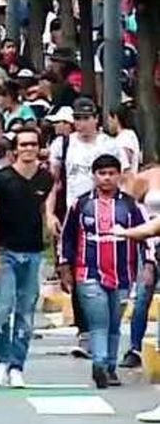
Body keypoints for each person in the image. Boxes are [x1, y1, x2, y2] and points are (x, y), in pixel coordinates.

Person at [47, 98, 122, 358]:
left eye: (86, 118)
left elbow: (121, 180)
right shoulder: (64, 145)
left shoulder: (109, 145)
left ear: (96, 120)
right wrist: (49, 213)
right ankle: (85, 331)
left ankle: (101, 328)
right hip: (73, 215)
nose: (81, 124)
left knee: (103, 271)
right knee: (76, 271)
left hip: (105, 216)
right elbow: (54, 183)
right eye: (77, 118)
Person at [61, 155, 144, 389]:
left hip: (123, 274)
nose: (106, 178)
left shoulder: (130, 205)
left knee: (114, 323)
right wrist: (65, 267)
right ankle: (99, 364)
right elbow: (67, 238)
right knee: (99, 321)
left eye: (111, 173)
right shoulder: (80, 204)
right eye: (102, 173)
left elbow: (144, 235)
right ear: (94, 176)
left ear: (119, 175)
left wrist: (146, 264)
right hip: (88, 272)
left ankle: (109, 366)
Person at [0, 125, 49, 388]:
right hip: (6, 251)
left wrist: (50, 225)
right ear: (15, 149)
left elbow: (46, 210)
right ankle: (0, 361)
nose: (29, 149)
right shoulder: (0, 178)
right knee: (3, 307)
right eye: (24, 144)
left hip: (33, 252)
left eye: (33, 144)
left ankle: (17, 365)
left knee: (26, 313)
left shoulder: (46, 178)